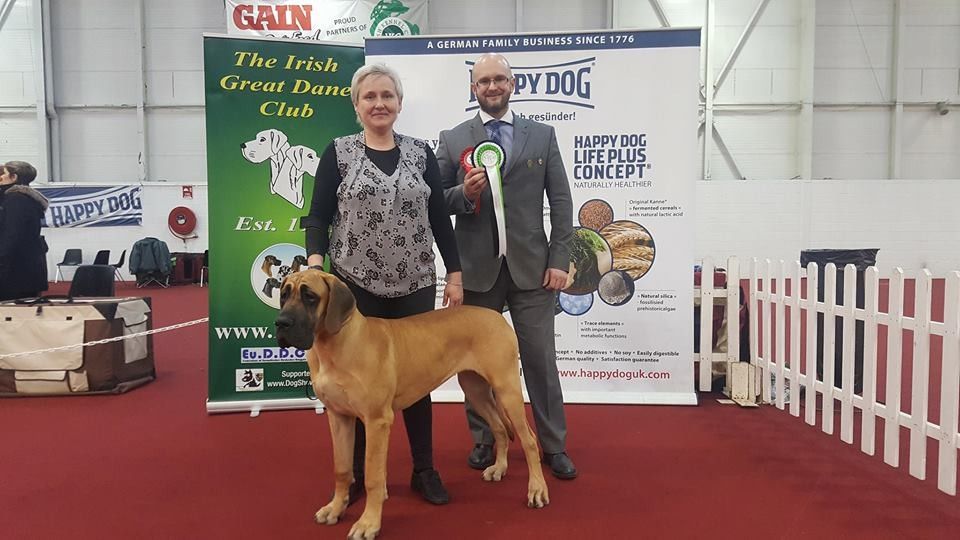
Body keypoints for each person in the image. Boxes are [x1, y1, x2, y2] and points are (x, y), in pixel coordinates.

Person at [301, 63, 463, 505]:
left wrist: (454, 273)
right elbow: (318, 216)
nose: (379, 104)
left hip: (415, 282)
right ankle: (356, 477)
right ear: (356, 105)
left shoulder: (421, 153)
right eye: (369, 97)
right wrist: (315, 265)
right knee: (353, 385)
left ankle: (424, 469)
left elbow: (438, 218)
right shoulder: (338, 153)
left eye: (387, 95)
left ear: (399, 103)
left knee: (415, 381)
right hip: (354, 289)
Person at [435, 53, 578, 480]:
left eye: (499, 79)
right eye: (483, 81)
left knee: (540, 361)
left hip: (533, 270)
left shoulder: (543, 136)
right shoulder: (453, 138)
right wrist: (464, 193)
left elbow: (562, 202)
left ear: (513, 84)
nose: (492, 87)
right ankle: (485, 439)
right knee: (473, 365)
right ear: (473, 89)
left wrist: (560, 259)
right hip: (476, 272)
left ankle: (553, 445)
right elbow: (436, 201)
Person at [0, 161, 49, 302]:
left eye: (3, 173)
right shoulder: (17, 199)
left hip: (15, 272)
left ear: (14, 177)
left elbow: (12, 236)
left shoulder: (16, 200)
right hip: (21, 270)